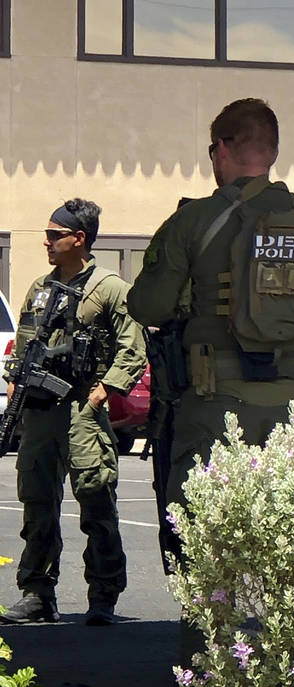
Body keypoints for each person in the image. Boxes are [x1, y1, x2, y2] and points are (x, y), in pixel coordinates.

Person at [127, 97, 294, 538]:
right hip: (292, 403)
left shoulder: (194, 220)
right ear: (273, 152)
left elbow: (147, 306)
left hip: (213, 401)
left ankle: (208, 610)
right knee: (282, 535)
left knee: (199, 531)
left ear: (222, 149)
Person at [1, 198, 147, 626]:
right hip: (42, 411)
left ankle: (103, 594)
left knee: (95, 496)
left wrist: (104, 391)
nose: (46, 242)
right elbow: (26, 342)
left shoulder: (110, 288)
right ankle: (37, 593)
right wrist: (16, 383)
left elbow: (132, 347)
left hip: (83, 405)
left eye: (54, 235)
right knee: (37, 501)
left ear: (78, 239)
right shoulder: (41, 289)